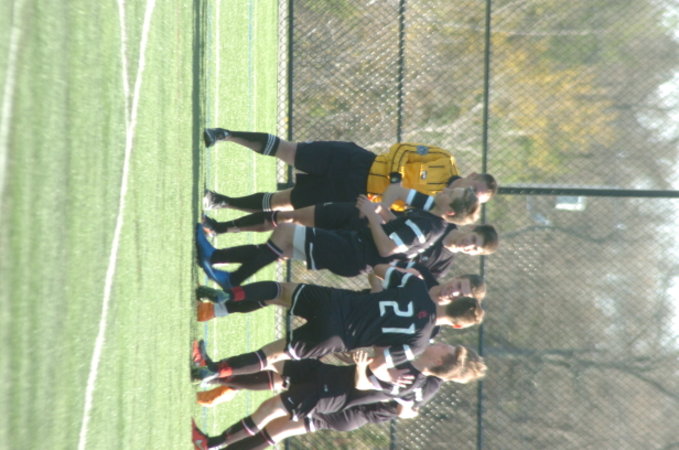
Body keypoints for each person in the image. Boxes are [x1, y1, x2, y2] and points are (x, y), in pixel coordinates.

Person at [189, 264, 484, 383]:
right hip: (337, 337)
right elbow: (378, 362)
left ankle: (227, 296)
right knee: (271, 355)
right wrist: (390, 375)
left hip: (337, 303)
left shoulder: (417, 286)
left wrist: (390, 285)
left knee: (278, 291)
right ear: (456, 324)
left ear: (453, 300)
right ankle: (212, 371)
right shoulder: (419, 343)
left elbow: (379, 269)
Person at [191, 344, 486, 450]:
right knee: (277, 364)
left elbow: (368, 387)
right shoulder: (413, 361)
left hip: (341, 403)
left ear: (442, 363)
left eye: (446, 348)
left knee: (274, 417)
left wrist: (362, 366)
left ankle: (213, 443)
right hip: (334, 381)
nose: (441, 343)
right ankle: (213, 371)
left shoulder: (416, 381)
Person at [195, 188, 483, 289]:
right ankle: (214, 256)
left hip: (354, 253)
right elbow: (398, 234)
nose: (446, 191)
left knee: (284, 232)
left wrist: (371, 215)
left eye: (451, 194)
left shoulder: (430, 225)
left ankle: (232, 280)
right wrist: (381, 213)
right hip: (354, 246)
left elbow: (388, 248)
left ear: (450, 210)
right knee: (283, 245)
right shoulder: (429, 219)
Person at [201, 127, 498, 212]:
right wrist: (396, 178)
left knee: (285, 201)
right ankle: (225, 135)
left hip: (355, 193)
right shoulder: (444, 160)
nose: (470, 194)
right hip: (356, 162)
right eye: (474, 189)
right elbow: (403, 149)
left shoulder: (437, 206)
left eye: (476, 198)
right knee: (290, 151)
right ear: (472, 176)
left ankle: (221, 202)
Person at [194, 270, 485, 322]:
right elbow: (376, 273)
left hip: (345, 318)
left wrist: (378, 301)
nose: (453, 291)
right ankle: (216, 309)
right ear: (455, 278)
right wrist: (379, 291)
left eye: (459, 294)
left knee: (280, 291)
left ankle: (223, 299)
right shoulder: (420, 279)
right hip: (347, 303)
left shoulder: (427, 323)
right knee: (276, 297)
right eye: (459, 285)